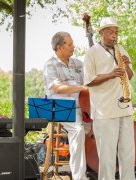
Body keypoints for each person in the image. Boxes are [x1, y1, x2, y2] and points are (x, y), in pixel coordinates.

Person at [83, 17, 135, 180]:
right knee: (107, 156)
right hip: (104, 111)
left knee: (128, 153)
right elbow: (89, 81)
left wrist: (126, 66)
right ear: (101, 33)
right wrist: (111, 74)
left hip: (125, 108)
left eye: (116, 32)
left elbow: (130, 77)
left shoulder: (122, 50)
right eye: (111, 32)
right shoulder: (92, 53)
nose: (114, 36)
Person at [43, 31, 88, 180]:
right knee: (78, 130)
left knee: (103, 125)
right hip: (60, 106)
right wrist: (81, 88)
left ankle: (100, 171)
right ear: (59, 47)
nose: (73, 46)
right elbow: (57, 88)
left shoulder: (78, 63)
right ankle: (79, 177)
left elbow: (89, 82)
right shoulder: (50, 64)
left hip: (82, 105)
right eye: (70, 44)